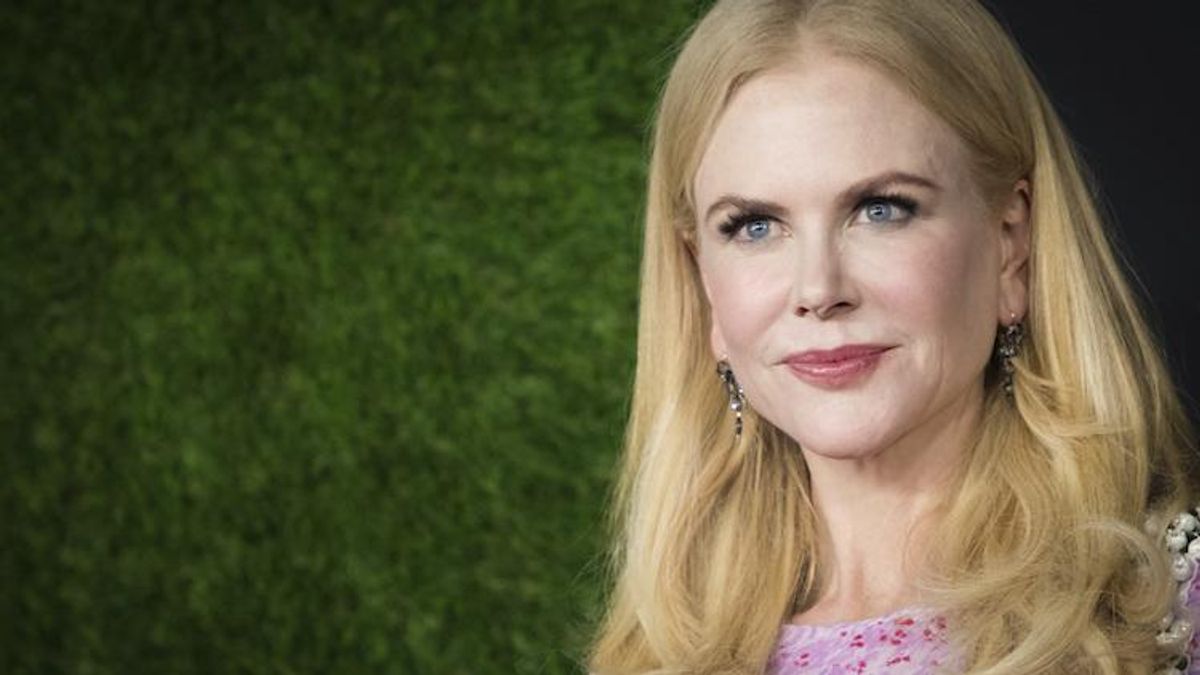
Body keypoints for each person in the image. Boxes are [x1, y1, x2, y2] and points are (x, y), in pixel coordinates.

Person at [586, 0, 1200, 673]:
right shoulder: (658, 652)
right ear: (702, 279)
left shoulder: (1165, 609)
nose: (818, 289)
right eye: (755, 226)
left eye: (880, 209)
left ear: (1010, 245)